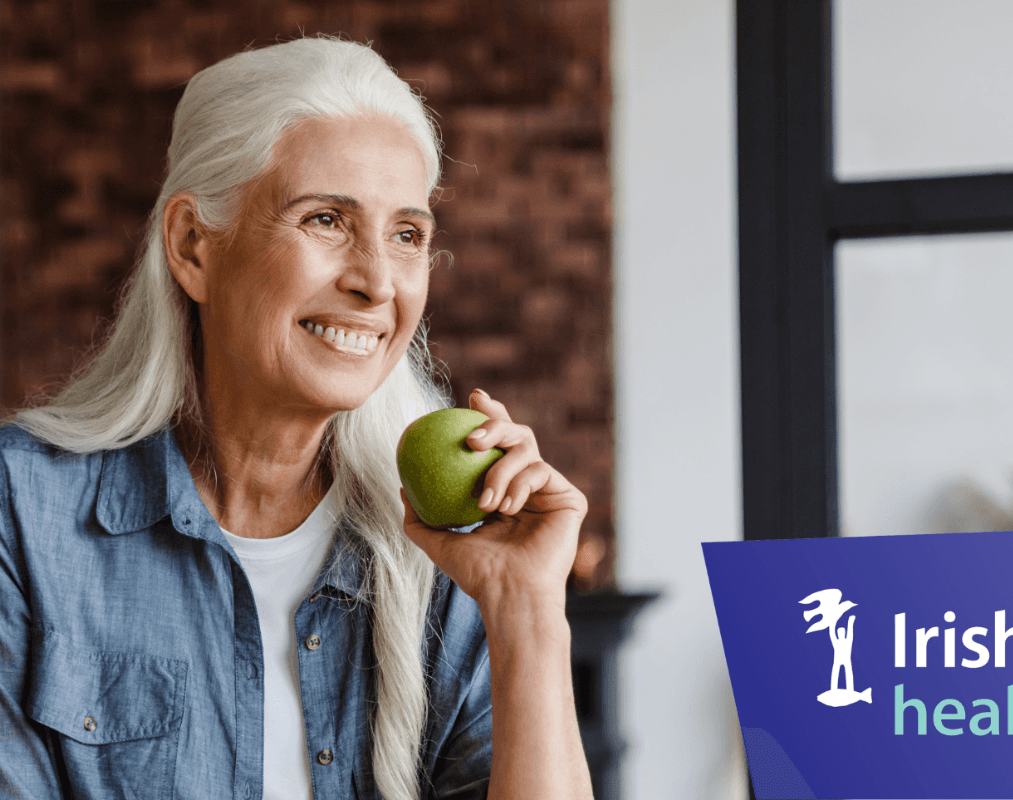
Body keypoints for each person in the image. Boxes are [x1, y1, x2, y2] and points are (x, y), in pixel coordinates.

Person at [0, 36, 592, 800]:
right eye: (325, 220)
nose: (377, 282)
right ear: (193, 247)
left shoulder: (449, 553)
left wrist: (529, 612)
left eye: (407, 235)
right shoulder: (22, 513)